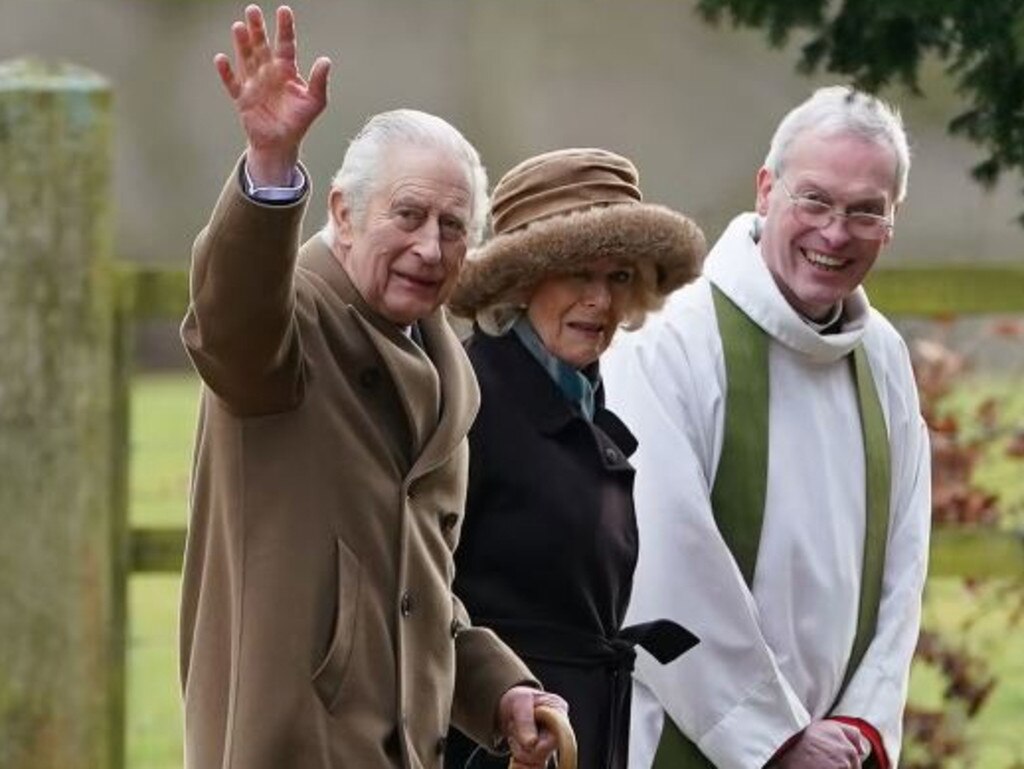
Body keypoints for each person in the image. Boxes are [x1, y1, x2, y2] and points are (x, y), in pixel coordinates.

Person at [179, 6, 566, 768]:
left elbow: (414, 586)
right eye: (409, 215)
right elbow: (229, 324)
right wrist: (267, 169)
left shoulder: (447, 372)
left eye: (453, 227)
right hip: (285, 743)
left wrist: (499, 690)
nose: (430, 246)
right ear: (343, 215)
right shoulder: (291, 327)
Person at [603, 86, 932, 769]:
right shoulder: (669, 339)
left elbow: (907, 563)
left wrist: (861, 724)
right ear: (765, 190)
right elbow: (656, 555)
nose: (835, 233)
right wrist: (775, 737)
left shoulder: (884, 360)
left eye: (865, 210)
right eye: (814, 199)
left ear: (891, 221)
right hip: (689, 737)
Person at [442, 148, 705, 769]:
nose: (601, 301)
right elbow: (421, 596)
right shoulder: (470, 402)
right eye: (578, 275)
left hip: (576, 728)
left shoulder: (580, 396)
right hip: (497, 742)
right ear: (523, 281)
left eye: (618, 278)